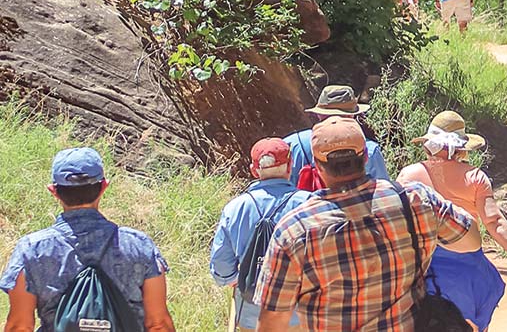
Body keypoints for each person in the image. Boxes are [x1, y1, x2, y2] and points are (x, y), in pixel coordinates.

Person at [254, 116, 471, 332]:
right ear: (366, 156)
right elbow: (469, 241)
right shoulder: (413, 199)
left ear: (318, 167)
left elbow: (272, 323)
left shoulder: (294, 230)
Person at [0, 146, 174, 332]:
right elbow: (158, 324)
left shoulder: (32, 249)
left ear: (54, 191)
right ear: (103, 187)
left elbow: (20, 326)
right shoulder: (139, 245)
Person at [397, 112, 507, 331]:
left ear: (429, 144)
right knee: (473, 322)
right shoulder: (475, 178)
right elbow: (493, 221)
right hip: (467, 262)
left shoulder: (409, 175)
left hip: (424, 262)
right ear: (461, 148)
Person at [210, 139, 311, 330]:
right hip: (300, 314)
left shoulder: (235, 208)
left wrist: (235, 280)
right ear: (290, 166)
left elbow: (221, 267)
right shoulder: (308, 204)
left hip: (251, 315)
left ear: (254, 171)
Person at [286, 85, 390, 186]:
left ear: (318, 114)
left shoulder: (294, 143)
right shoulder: (369, 149)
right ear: (352, 115)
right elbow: (383, 190)